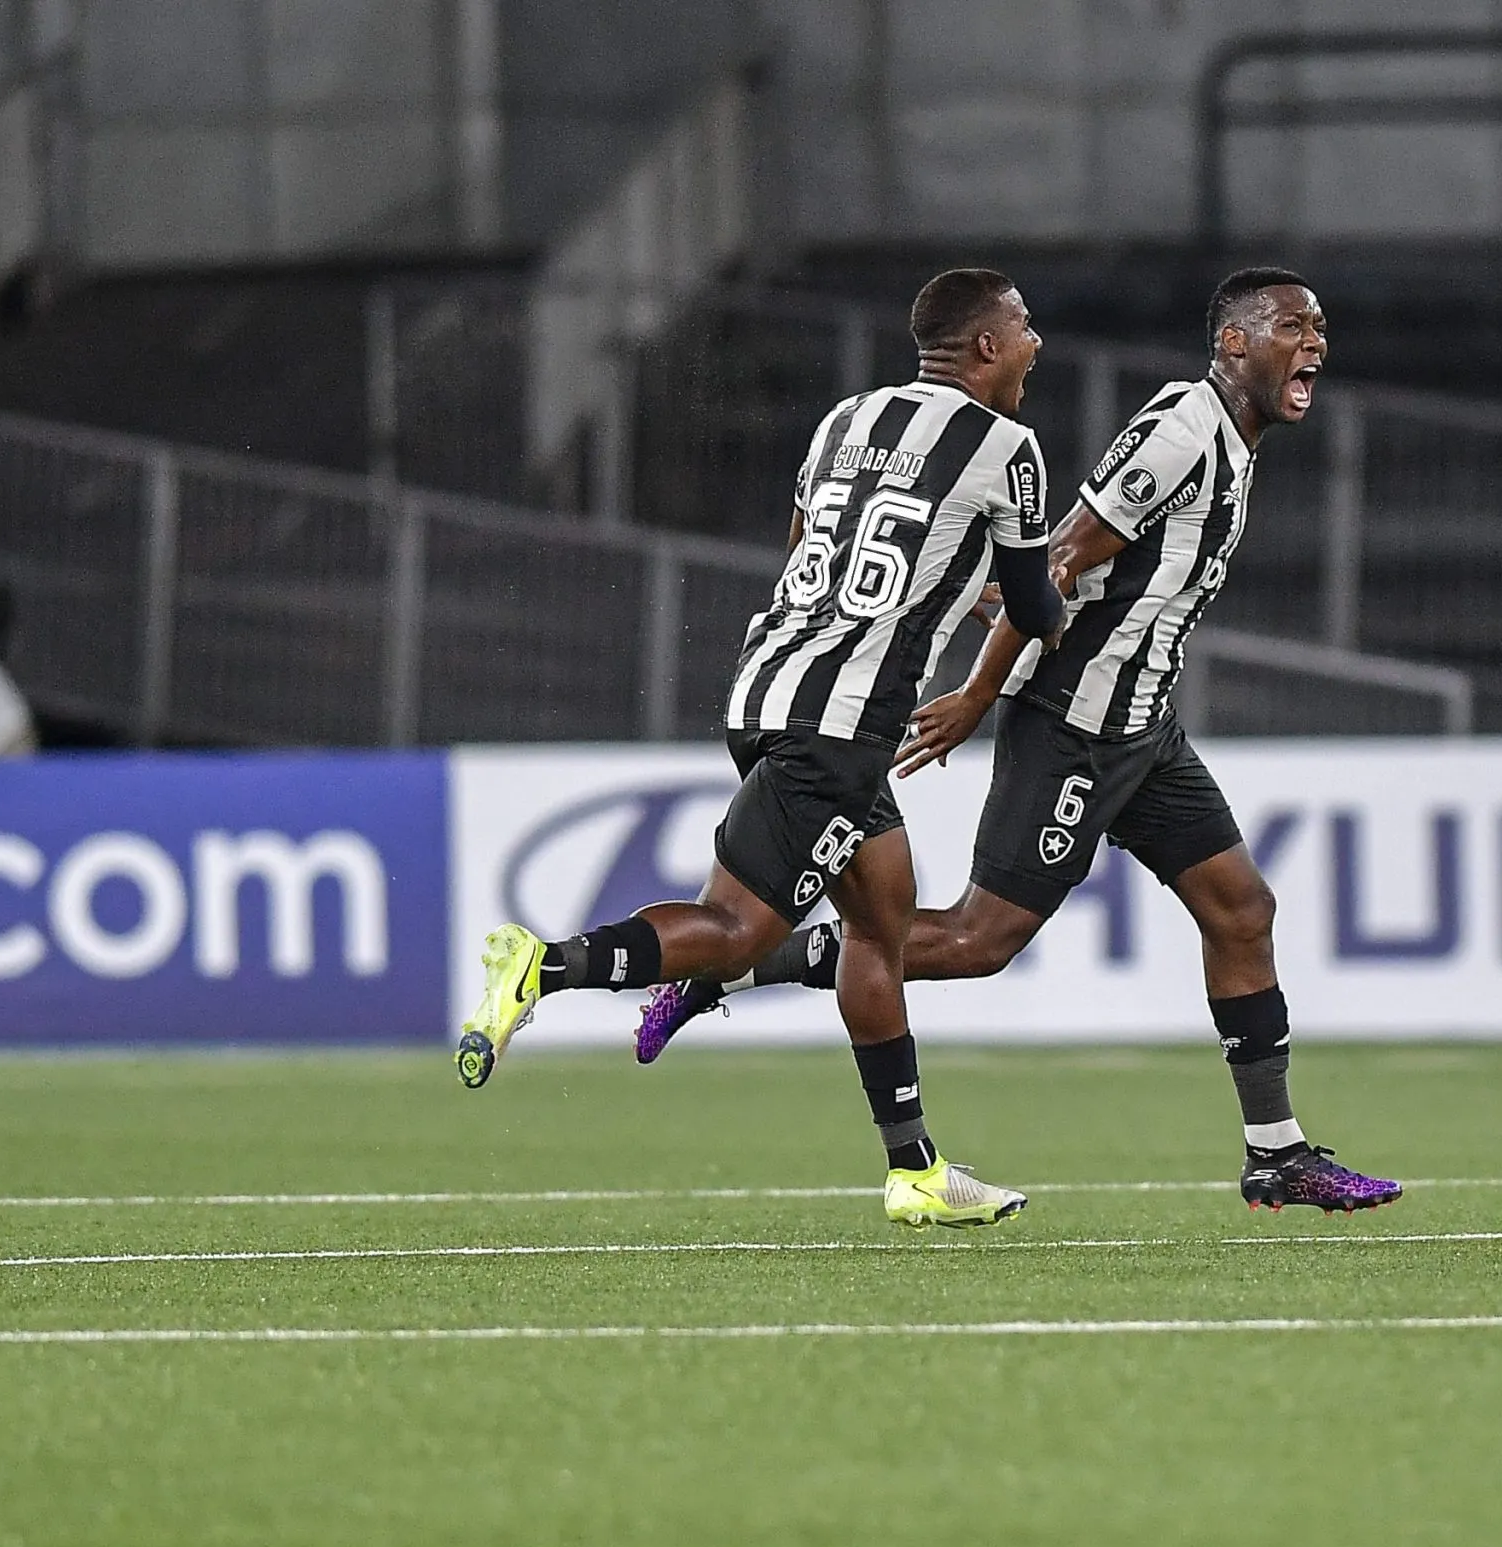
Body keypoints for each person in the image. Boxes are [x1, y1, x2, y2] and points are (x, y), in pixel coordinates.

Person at [636, 268, 1403, 1215]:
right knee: (974, 939)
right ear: (1236, 343)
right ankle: (730, 969)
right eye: (1294, 326)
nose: (1315, 343)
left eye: (1320, 327)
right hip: (1072, 724)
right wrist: (977, 691)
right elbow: (1064, 563)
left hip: (1145, 728)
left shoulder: (1238, 442)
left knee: (1242, 908)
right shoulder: (1180, 432)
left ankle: (1276, 1153)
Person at [455, 268, 1068, 1229]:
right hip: (843, 725)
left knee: (882, 919)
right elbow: (1035, 609)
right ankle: (543, 965)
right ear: (986, 347)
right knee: (741, 926)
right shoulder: (1009, 449)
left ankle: (914, 1169)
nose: (1037, 342)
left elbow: (804, 543)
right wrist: (1016, 615)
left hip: (768, 687)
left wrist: (944, 586)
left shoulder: (844, 421)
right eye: (1025, 326)